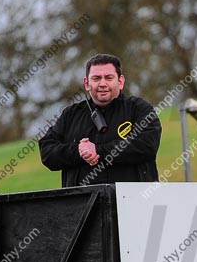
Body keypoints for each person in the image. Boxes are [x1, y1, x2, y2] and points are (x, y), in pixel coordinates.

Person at [40, 53, 161, 186]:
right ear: (87, 83)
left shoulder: (139, 109)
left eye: (109, 78)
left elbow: (147, 145)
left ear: (120, 82)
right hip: (82, 198)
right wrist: (78, 151)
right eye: (96, 78)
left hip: (132, 197)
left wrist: (98, 151)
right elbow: (47, 152)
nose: (102, 84)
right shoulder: (70, 114)